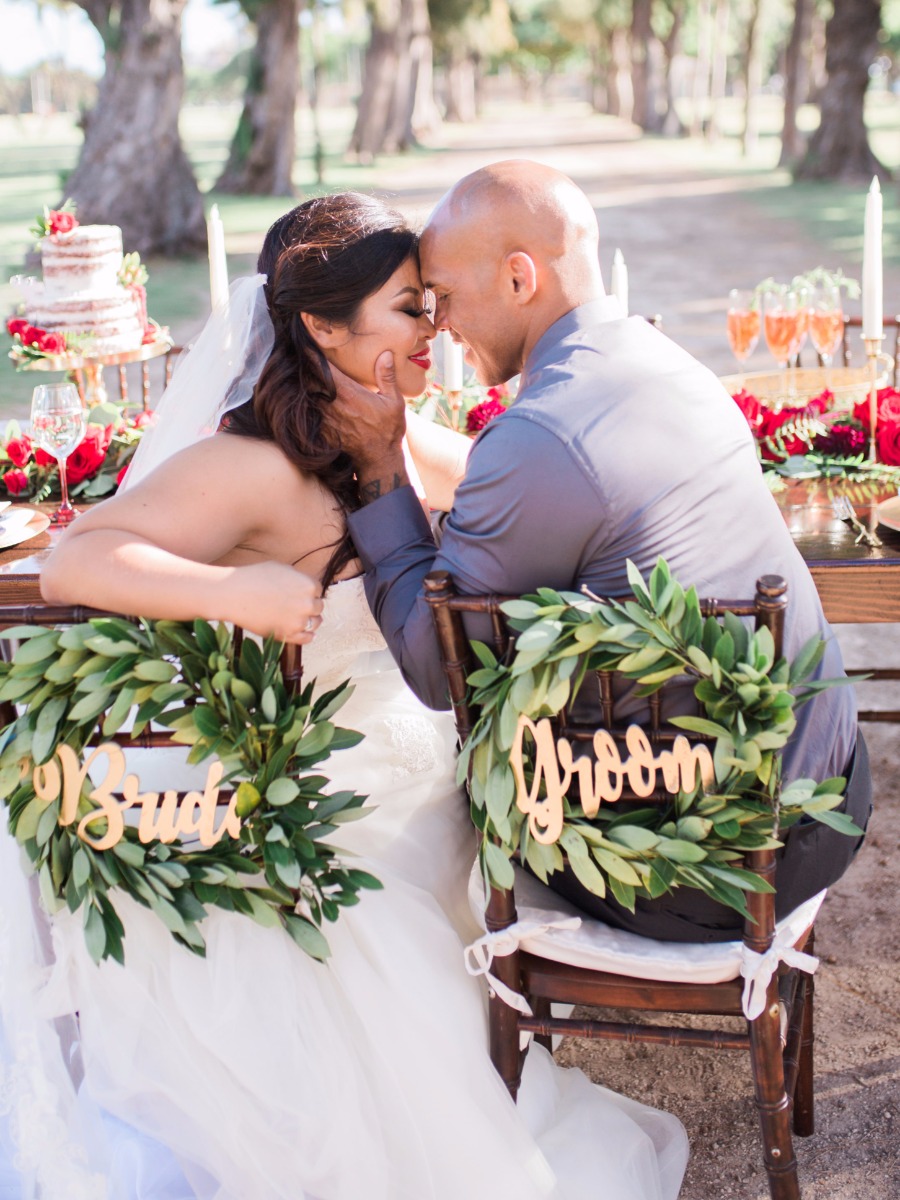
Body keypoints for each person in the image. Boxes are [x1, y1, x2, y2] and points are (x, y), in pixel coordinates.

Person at [10, 192, 689, 1200]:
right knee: (364, 912)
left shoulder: (430, 450)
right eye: (411, 308)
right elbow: (75, 562)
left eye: (434, 302)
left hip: (429, 767)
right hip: (313, 788)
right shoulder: (249, 468)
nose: (439, 326)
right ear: (323, 327)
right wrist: (233, 590)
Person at [327, 159, 873, 944]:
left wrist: (380, 468)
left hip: (708, 867)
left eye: (443, 294)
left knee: (422, 805)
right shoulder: (669, 364)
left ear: (520, 278)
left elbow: (431, 664)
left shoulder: (539, 435)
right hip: (833, 792)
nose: (437, 322)